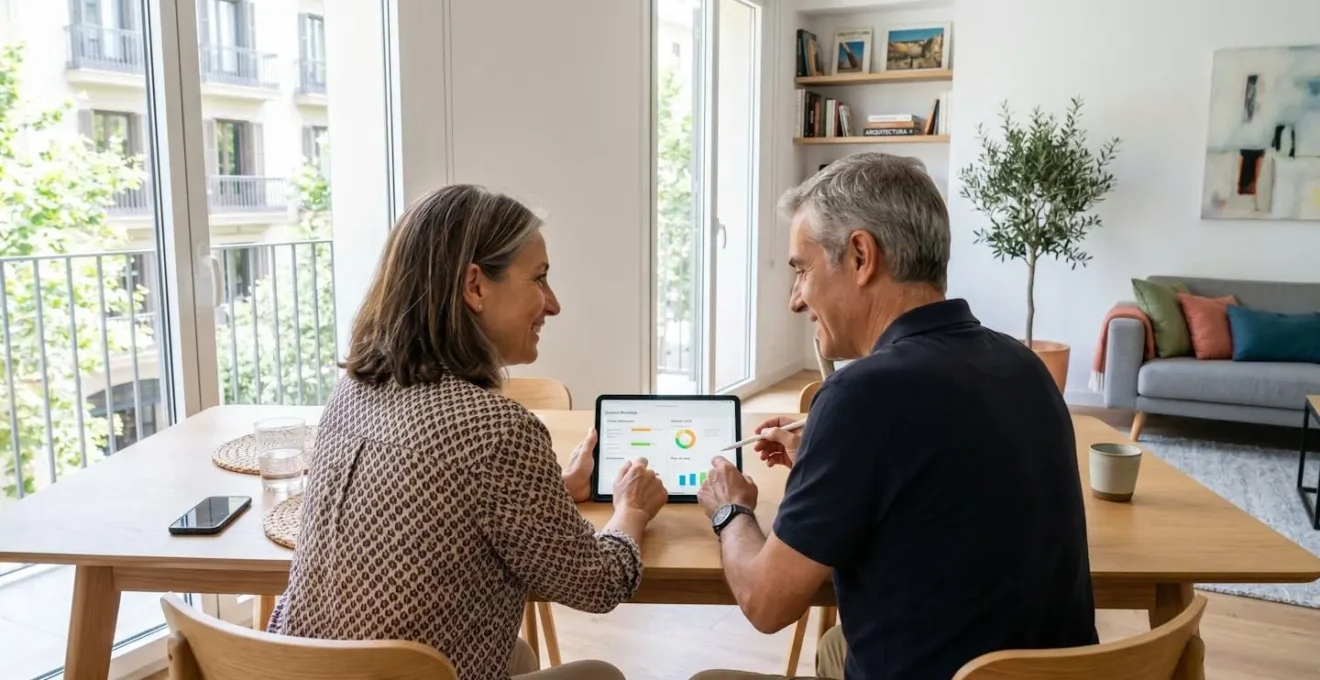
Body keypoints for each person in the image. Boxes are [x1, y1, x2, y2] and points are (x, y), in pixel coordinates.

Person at [693, 153, 1097, 680]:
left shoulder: (859, 397)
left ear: (861, 256)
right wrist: (828, 463)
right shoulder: (1024, 364)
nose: (796, 299)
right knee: (837, 646)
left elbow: (766, 603)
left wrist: (731, 512)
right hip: (1058, 672)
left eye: (802, 269)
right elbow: (943, 489)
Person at [267, 184, 668, 680]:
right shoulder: (495, 430)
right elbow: (598, 585)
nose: (554, 304)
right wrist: (631, 510)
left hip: (299, 669)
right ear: (475, 286)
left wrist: (556, 492)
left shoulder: (349, 392)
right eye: (539, 280)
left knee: (518, 654)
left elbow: (438, 513)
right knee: (600, 675)